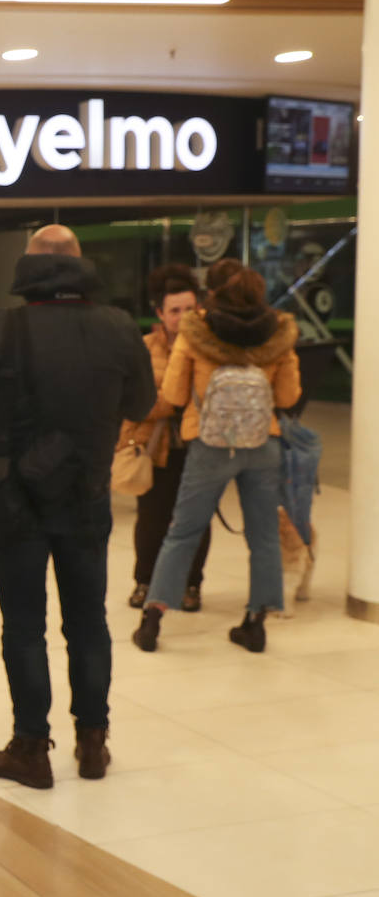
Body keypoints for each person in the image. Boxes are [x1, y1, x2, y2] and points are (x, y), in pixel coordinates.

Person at [0, 225, 155, 789]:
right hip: (88, 497)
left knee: (24, 626)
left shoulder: (3, 326)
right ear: (82, 262)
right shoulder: (118, 326)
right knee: (88, 622)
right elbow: (142, 402)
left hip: (16, 499)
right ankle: (93, 743)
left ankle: (31, 748)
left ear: (27, 264)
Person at [132, 268, 302, 654]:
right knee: (263, 538)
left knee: (182, 531)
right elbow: (288, 397)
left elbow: (174, 394)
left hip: (209, 444)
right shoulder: (279, 333)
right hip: (262, 442)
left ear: (214, 293)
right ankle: (255, 625)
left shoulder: (196, 331)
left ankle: (152, 620)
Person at [122, 264, 212, 612]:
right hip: (155, 447)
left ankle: (191, 584)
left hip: (199, 447)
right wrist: (172, 401)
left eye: (190, 309)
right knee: (151, 519)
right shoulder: (144, 348)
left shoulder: (210, 348)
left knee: (197, 519)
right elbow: (135, 401)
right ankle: (145, 581)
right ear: (160, 313)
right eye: (175, 310)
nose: (183, 317)